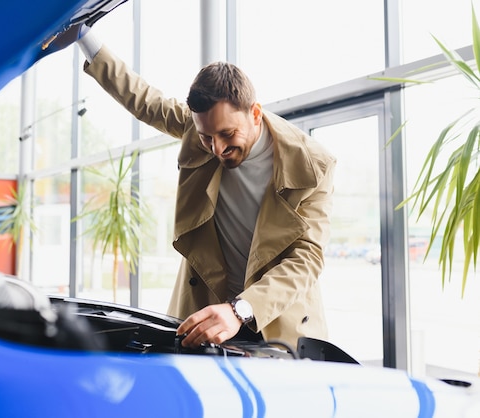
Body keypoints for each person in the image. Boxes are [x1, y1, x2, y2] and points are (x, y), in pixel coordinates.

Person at [71, 25, 336, 351]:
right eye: (207, 137)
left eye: (227, 134)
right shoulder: (200, 130)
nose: (217, 148)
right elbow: (142, 99)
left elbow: (306, 258)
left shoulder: (313, 164)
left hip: (276, 318)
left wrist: (241, 309)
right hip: (207, 308)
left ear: (255, 113)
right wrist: (82, 35)